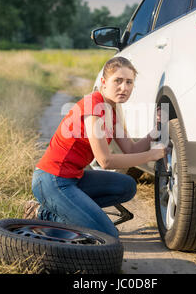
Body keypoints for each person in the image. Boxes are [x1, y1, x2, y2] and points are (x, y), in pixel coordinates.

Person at [25, 56, 167, 238]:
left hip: (74, 178)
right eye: (118, 81)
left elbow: (130, 150)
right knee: (107, 234)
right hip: (51, 180)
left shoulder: (111, 111)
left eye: (129, 82)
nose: (124, 88)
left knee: (127, 186)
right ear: (103, 82)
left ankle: (63, 211)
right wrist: (151, 155)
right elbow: (105, 161)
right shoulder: (94, 105)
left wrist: (156, 130)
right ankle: (42, 213)